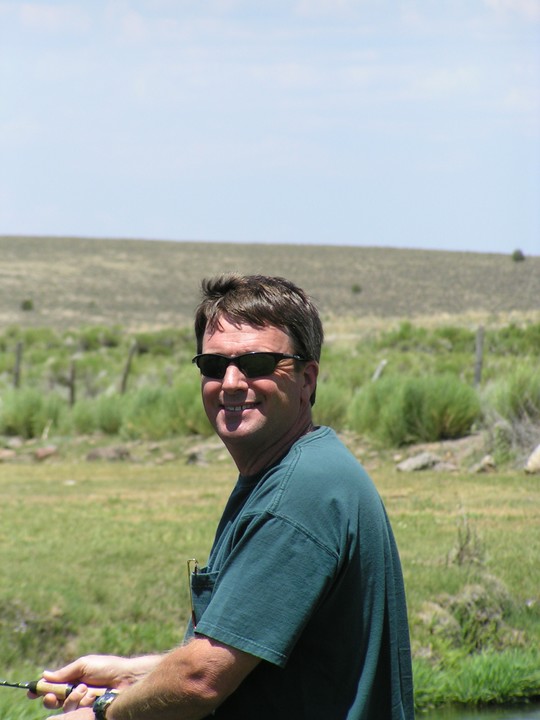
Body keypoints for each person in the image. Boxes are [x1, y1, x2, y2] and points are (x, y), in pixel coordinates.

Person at [36, 274, 414, 720]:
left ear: (307, 379)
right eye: (214, 366)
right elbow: (249, 652)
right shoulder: (289, 471)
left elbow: (201, 680)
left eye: (257, 363)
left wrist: (104, 711)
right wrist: (131, 675)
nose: (231, 382)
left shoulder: (298, 495)